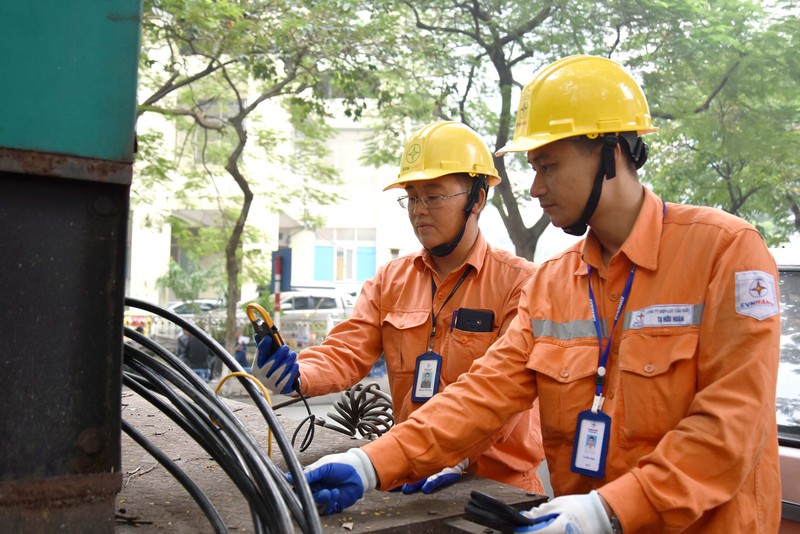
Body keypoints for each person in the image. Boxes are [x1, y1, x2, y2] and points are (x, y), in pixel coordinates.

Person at [292, 55, 782, 532]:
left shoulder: (725, 253)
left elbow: (729, 428)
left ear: (611, 153)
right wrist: (369, 463)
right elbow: (482, 395)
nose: (534, 187)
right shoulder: (554, 282)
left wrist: (604, 513)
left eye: (547, 165)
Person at [252, 121, 545, 495]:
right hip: (412, 477)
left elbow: (504, 394)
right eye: (412, 196)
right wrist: (297, 375)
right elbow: (347, 351)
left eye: (434, 196)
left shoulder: (520, 284)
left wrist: (456, 454)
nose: (419, 211)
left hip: (501, 488)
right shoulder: (390, 281)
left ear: (478, 197)